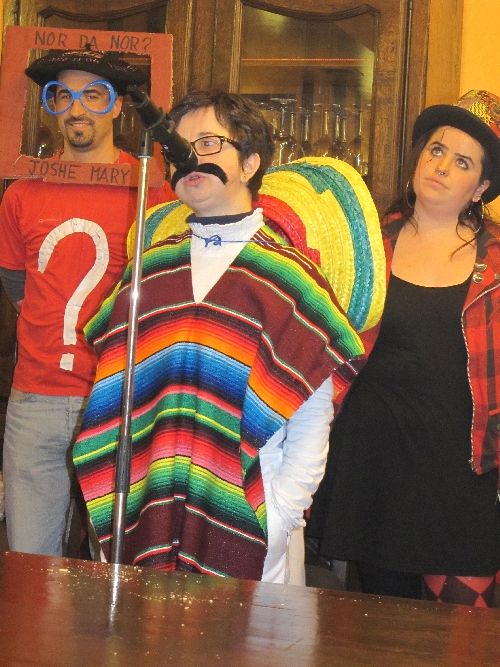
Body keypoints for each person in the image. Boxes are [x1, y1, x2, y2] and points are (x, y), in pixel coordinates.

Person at [72, 90, 366, 584]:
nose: (189, 159)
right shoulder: (150, 270)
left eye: (208, 143)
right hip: (147, 499)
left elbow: (313, 415)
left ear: (250, 162)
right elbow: (115, 401)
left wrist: (283, 510)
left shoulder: (287, 277)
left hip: (251, 508)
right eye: (178, 147)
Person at [308, 89, 500, 607]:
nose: (441, 166)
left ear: (481, 187)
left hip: (465, 475)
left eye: (462, 162)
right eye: (436, 150)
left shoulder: (499, 260)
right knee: (383, 631)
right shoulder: (366, 245)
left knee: (467, 634)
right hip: (374, 468)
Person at [0, 49, 176, 557]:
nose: (77, 109)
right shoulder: (22, 192)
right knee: (30, 562)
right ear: (53, 108)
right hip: (36, 397)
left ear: (118, 106)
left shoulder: (152, 190)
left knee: (114, 564)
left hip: (120, 397)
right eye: (63, 96)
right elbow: (15, 281)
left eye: (93, 95)